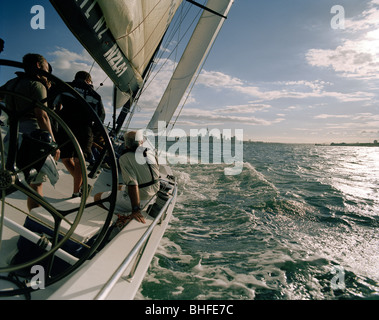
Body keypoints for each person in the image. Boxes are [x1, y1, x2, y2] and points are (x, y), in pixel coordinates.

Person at [0, 53, 60, 210]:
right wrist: (53, 145)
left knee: (5, 177)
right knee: (35, 183)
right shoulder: (37, 85)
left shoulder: (12, 82)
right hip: (32, 139)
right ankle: (33, 224)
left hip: (10, 137)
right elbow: (42, 116)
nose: (48, 73)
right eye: (47, 68)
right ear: (39, 66)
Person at [54, 71, 105, 198]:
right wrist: (93, 134)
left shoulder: (64, 86)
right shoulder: (95, 95)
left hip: (65, 127)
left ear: (76, 78)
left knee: (66, 159)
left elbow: (53, 104)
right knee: (79, 161)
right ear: (89, 80)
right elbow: (101, 118)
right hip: (84, 129)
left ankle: (81, 185)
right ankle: (77, 192)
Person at [94, 131, 160, 224]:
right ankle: (122, 210)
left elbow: (133, 185)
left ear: (126, 145)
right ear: (141, 142)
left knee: (97, 197)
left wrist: (135, 210)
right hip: (153, 196)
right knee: (119, 187)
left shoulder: (125, 158)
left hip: (141, 200)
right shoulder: (151, 153)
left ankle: (119, 218)